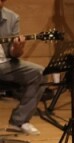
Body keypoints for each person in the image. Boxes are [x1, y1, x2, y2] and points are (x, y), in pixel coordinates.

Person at [0, 2, 44, 135]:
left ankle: (19, 121)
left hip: (4, 64)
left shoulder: (12, 17)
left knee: (40, 72)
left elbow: (13, 54)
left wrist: (18, 48)